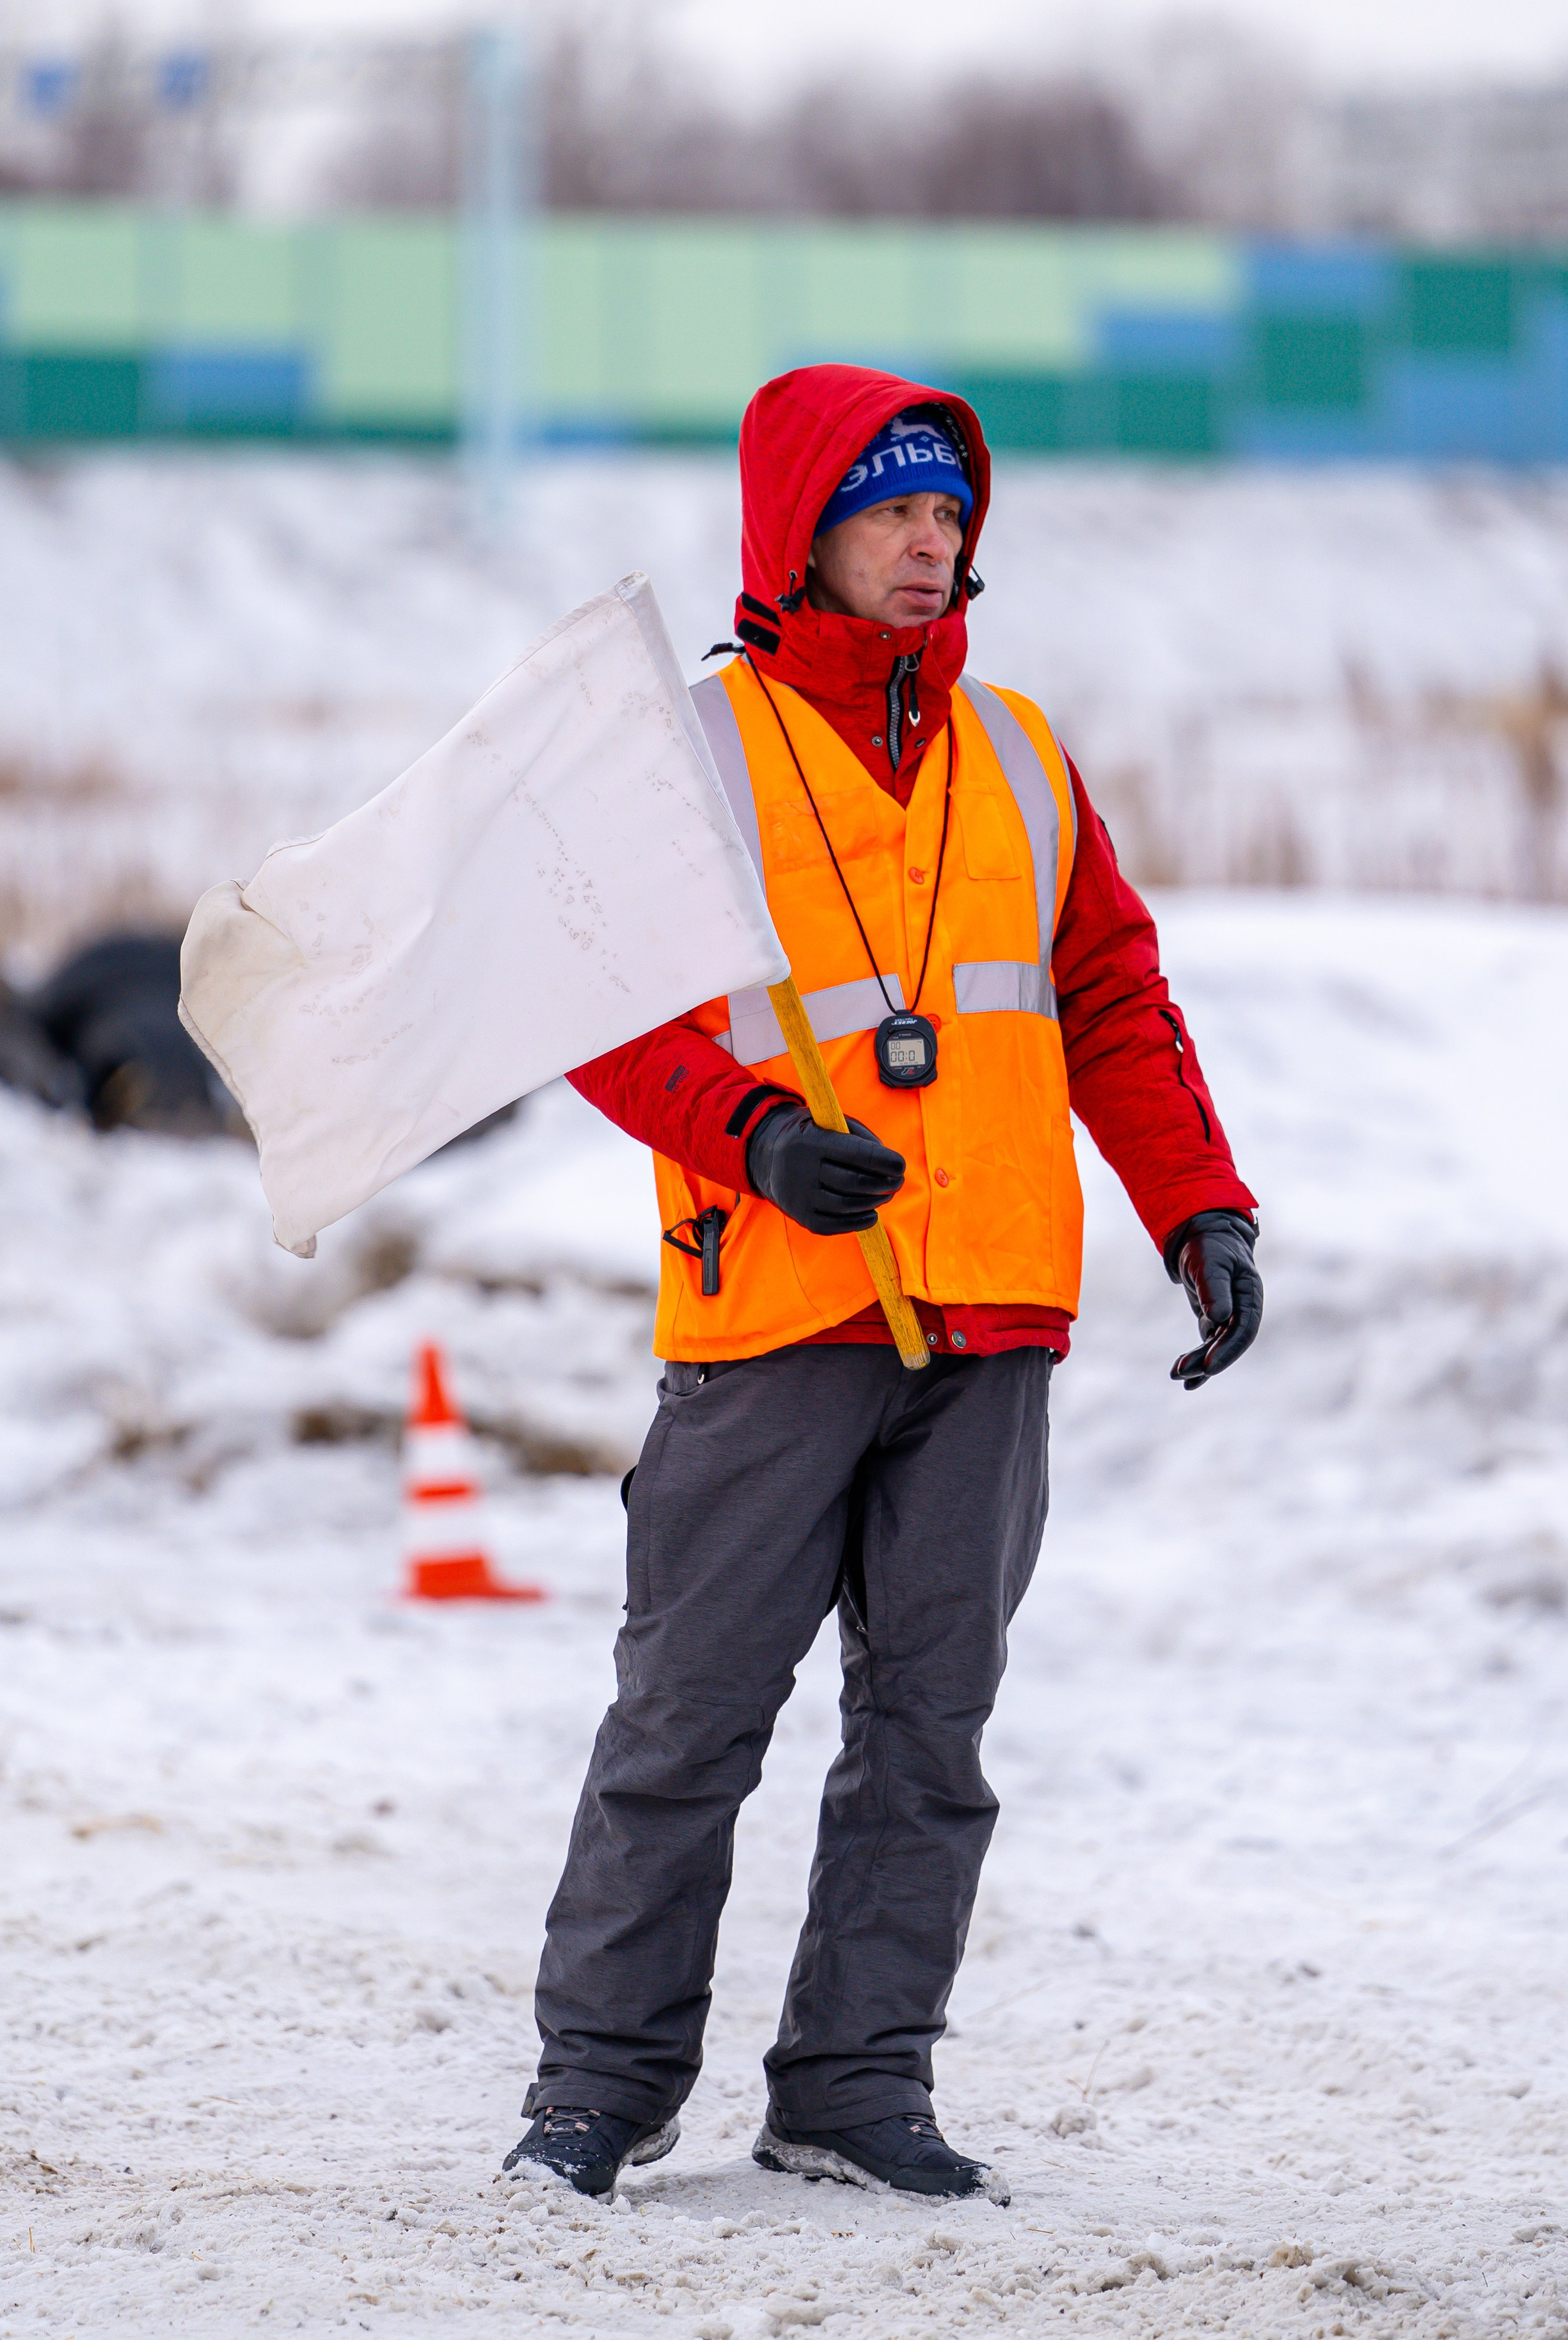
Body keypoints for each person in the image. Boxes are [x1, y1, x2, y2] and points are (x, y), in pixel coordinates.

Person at [502, 363, 1261, 2206]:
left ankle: (855, 2082)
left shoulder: (1018, 750)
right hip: (777, 1307)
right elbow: (591, 1000)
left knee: (933, 1727)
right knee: (689, 1721)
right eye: (891, 513)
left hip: (991, 1303)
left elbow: (1112, 1001)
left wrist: (1199, 1211)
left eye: (949, 517)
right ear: (801, 529)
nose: (930, 545)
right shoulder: (688, 751)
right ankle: (597, 2093)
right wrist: (746, 1135)